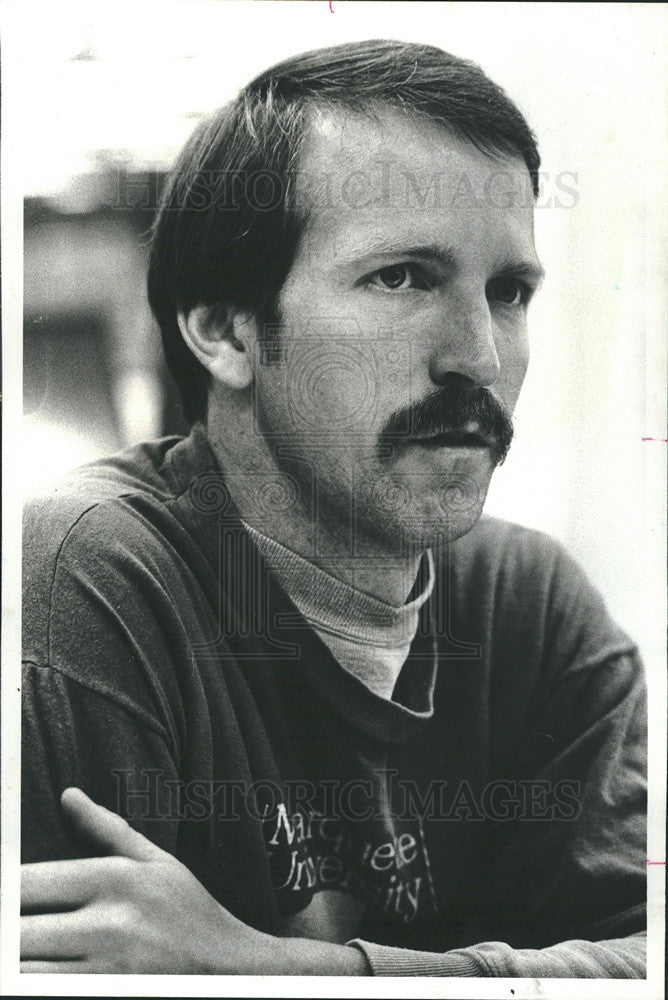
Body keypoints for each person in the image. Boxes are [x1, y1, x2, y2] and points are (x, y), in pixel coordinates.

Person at [21, 39, 646, 976]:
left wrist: (278, 971)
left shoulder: (530, 603)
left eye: (508, 291)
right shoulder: (89, 577)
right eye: (402, 278)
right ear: (224, 328)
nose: (477, 355)